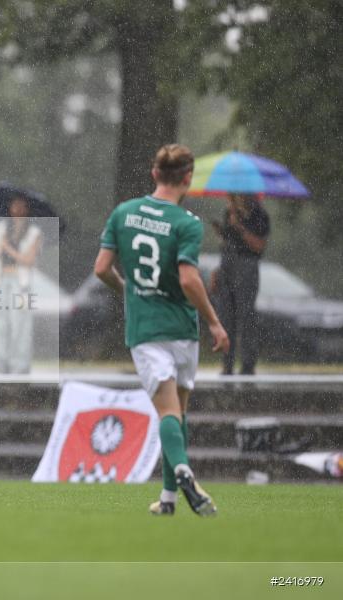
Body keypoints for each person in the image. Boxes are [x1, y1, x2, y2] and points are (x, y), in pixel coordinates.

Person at [94, 144, 229, 517]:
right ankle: (168, 500)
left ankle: (182, 472)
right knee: (178, 413)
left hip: (147, 329)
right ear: (187, 178)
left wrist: (129, 291)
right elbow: (188, 279)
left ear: (154, 174)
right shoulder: (187, 223)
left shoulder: (124, 213)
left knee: (168, 412)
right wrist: (214, 322)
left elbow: (102, 268)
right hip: (183, 329)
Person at [211, 194, 269, 375]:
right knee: (225, 316)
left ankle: (248, 365)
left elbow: (258, 246)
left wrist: (240, 227)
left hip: (247, 268)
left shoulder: (259, 215)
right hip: (227, 267)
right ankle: (226, 364)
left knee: (246, 316)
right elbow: (227, 244)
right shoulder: (228, 212)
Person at [0, 195, 43, 374]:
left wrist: (8, 248)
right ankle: (1, 364)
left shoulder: (34, 232)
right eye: (14, 205)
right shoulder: (1, 228)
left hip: (21, 283)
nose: (17, 210)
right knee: (0, 324)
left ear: (27, 209)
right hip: (0, 280)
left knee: (21, 324)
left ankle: (21, 365)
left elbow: (28, 260)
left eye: (21, 206)